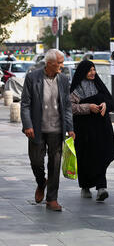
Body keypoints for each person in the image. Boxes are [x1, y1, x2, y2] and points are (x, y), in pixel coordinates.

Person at [20, 49, 75, 212]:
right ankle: (40, 182)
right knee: (36, 161)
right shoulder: (32, 78)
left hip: (57, 129)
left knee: (55, 163)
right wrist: (27, 124)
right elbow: (25, 104)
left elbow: (67, 106)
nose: (62, 66)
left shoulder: (64, 80)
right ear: (49, 63)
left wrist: (70, 128)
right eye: (60, 63)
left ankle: (52, 199)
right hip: (36, 129)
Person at [69, 60, 114, 202]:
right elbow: (70, 107)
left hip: (101, 128)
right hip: (84, 130)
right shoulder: (76, 88)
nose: (93, 73)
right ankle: (85, 187)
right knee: (85, 157)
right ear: (83, 72)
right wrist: (88, 107)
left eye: (93, 70)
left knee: (101, 155)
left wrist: (104, 105)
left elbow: (110, 101)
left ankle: (101, 188)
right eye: (90, 70)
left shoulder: (98, 84)